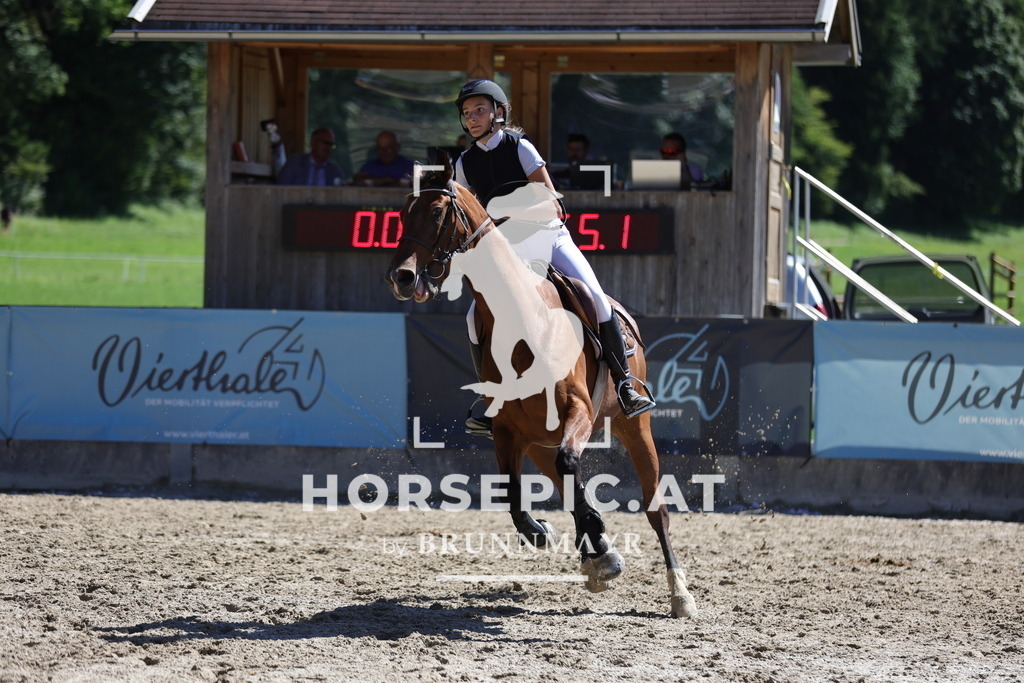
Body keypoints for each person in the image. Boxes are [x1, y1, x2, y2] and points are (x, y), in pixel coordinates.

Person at [452, 78, 655, 434]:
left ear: (498, 113)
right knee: (474, 317)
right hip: (509, 250)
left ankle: (625, 384)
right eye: (467, 113)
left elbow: (551, 202)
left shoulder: (520, 148)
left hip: (547, 237)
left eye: (480, 110)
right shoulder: (464, 163)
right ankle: (491, 400)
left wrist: (501, 213)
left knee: (595, 298)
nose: (472, 118)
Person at [276, 128, 345, 186]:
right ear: (313, 142)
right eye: (325, 143)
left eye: (331, 144)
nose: (328, 147)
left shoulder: (335, 171)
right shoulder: (295, 163)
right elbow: (280, 188)